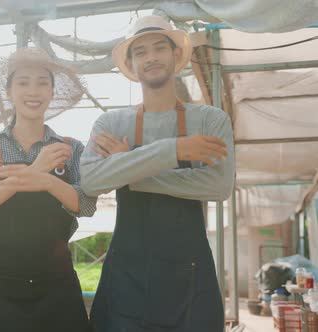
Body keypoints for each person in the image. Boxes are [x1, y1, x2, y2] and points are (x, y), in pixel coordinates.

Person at [81, 16, 235, 332]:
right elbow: (92, 181)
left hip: (188, 277)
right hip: (127, 277)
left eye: (159, 48)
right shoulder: (111, 124)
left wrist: (129, 170)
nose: (151, 57)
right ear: (131, 63)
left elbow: (218, 186)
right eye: (140, 52)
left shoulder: (210, 120)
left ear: (176, 55)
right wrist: (175, 151)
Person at [0, 48, 97, 332]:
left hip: (57, 285)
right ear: (9, 90)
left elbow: (86, 205)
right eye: (23, 82)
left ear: (51, 91)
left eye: (42, 82)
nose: (33, 91)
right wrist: (35, 171)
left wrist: (47, 181)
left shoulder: (70, 148)